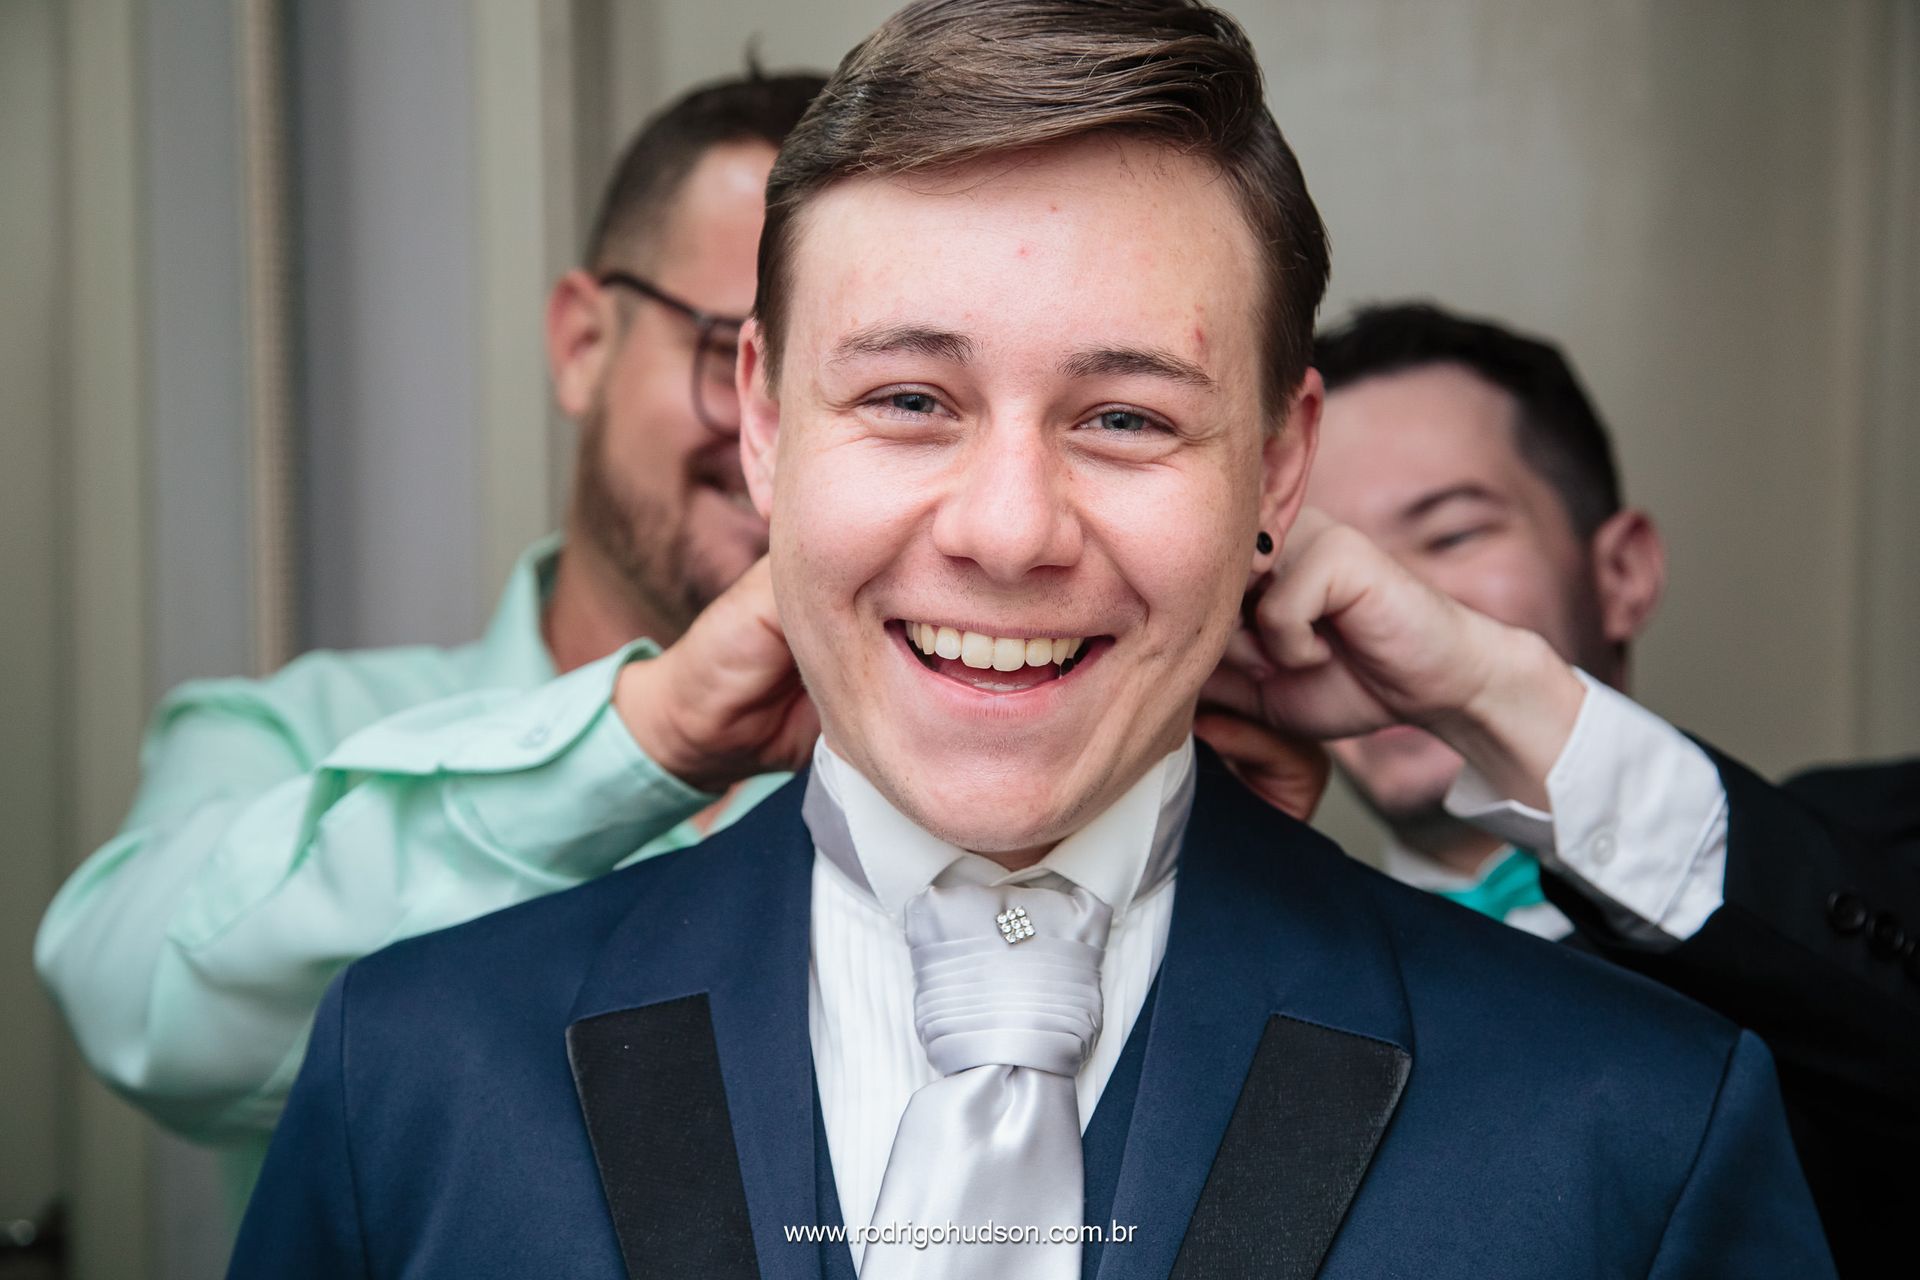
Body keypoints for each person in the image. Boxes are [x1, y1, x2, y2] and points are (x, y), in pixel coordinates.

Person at [230, 4, 1831, 1276]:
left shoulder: (1632, 1123)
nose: (1008, 532)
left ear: (1278, 469)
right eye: (908, 399)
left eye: (1125, 416)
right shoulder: (415, 1073)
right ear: (766, 425)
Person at [33, 68, 830, 1212]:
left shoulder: (937, 783)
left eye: (849, 380)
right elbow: (143, 1012)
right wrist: (640, 740)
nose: (770, 437)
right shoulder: (290, 736)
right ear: (582, 342)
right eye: (729, 351)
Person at [1228, 301, 1914, 1272]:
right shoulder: (1255, 961)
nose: (1371, 599)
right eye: (1313, 549)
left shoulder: (1880, 852)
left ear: (1624, 571)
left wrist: (1486, 690)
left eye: (1452, 534)